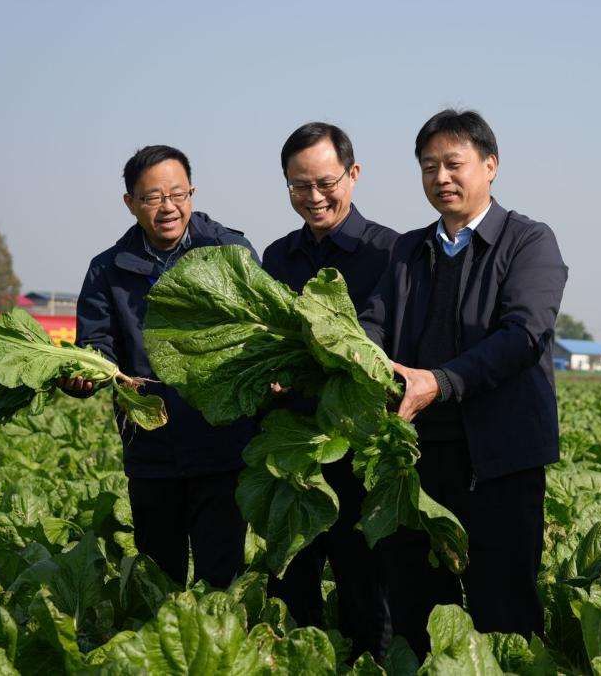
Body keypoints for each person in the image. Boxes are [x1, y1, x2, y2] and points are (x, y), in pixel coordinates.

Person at [359, 109, 568, 656]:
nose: (441, 178)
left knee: (504, 610)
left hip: (497, 464)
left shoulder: (528, 241)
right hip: (415, 459)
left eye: (454, 164)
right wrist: (352, 354)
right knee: (417, 609)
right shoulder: (407, 250)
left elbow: (523, 336)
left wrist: (442, 382)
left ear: (490, 165)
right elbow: (373, 324)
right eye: (429, 167)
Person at [63, 145, 258, 589]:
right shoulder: (107, 269)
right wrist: (86, 374)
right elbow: (97, 343)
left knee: (220, 579)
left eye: (177, 194)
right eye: (152, 197)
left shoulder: (230, 252)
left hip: (222, 444)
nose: (168, 207)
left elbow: (259, 331)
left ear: (192, 193)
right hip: (151, 447)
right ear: (130, 203)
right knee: (158, 577)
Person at [260, 122, 397, 660]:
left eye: (325, 183)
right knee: (291, 590)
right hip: (292, 449)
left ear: (353, 174)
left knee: (367, 592)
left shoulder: (390, 251)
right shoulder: (277, 256)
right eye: (299, 186)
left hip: (359, 452)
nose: (314, 197)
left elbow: (382, 348)